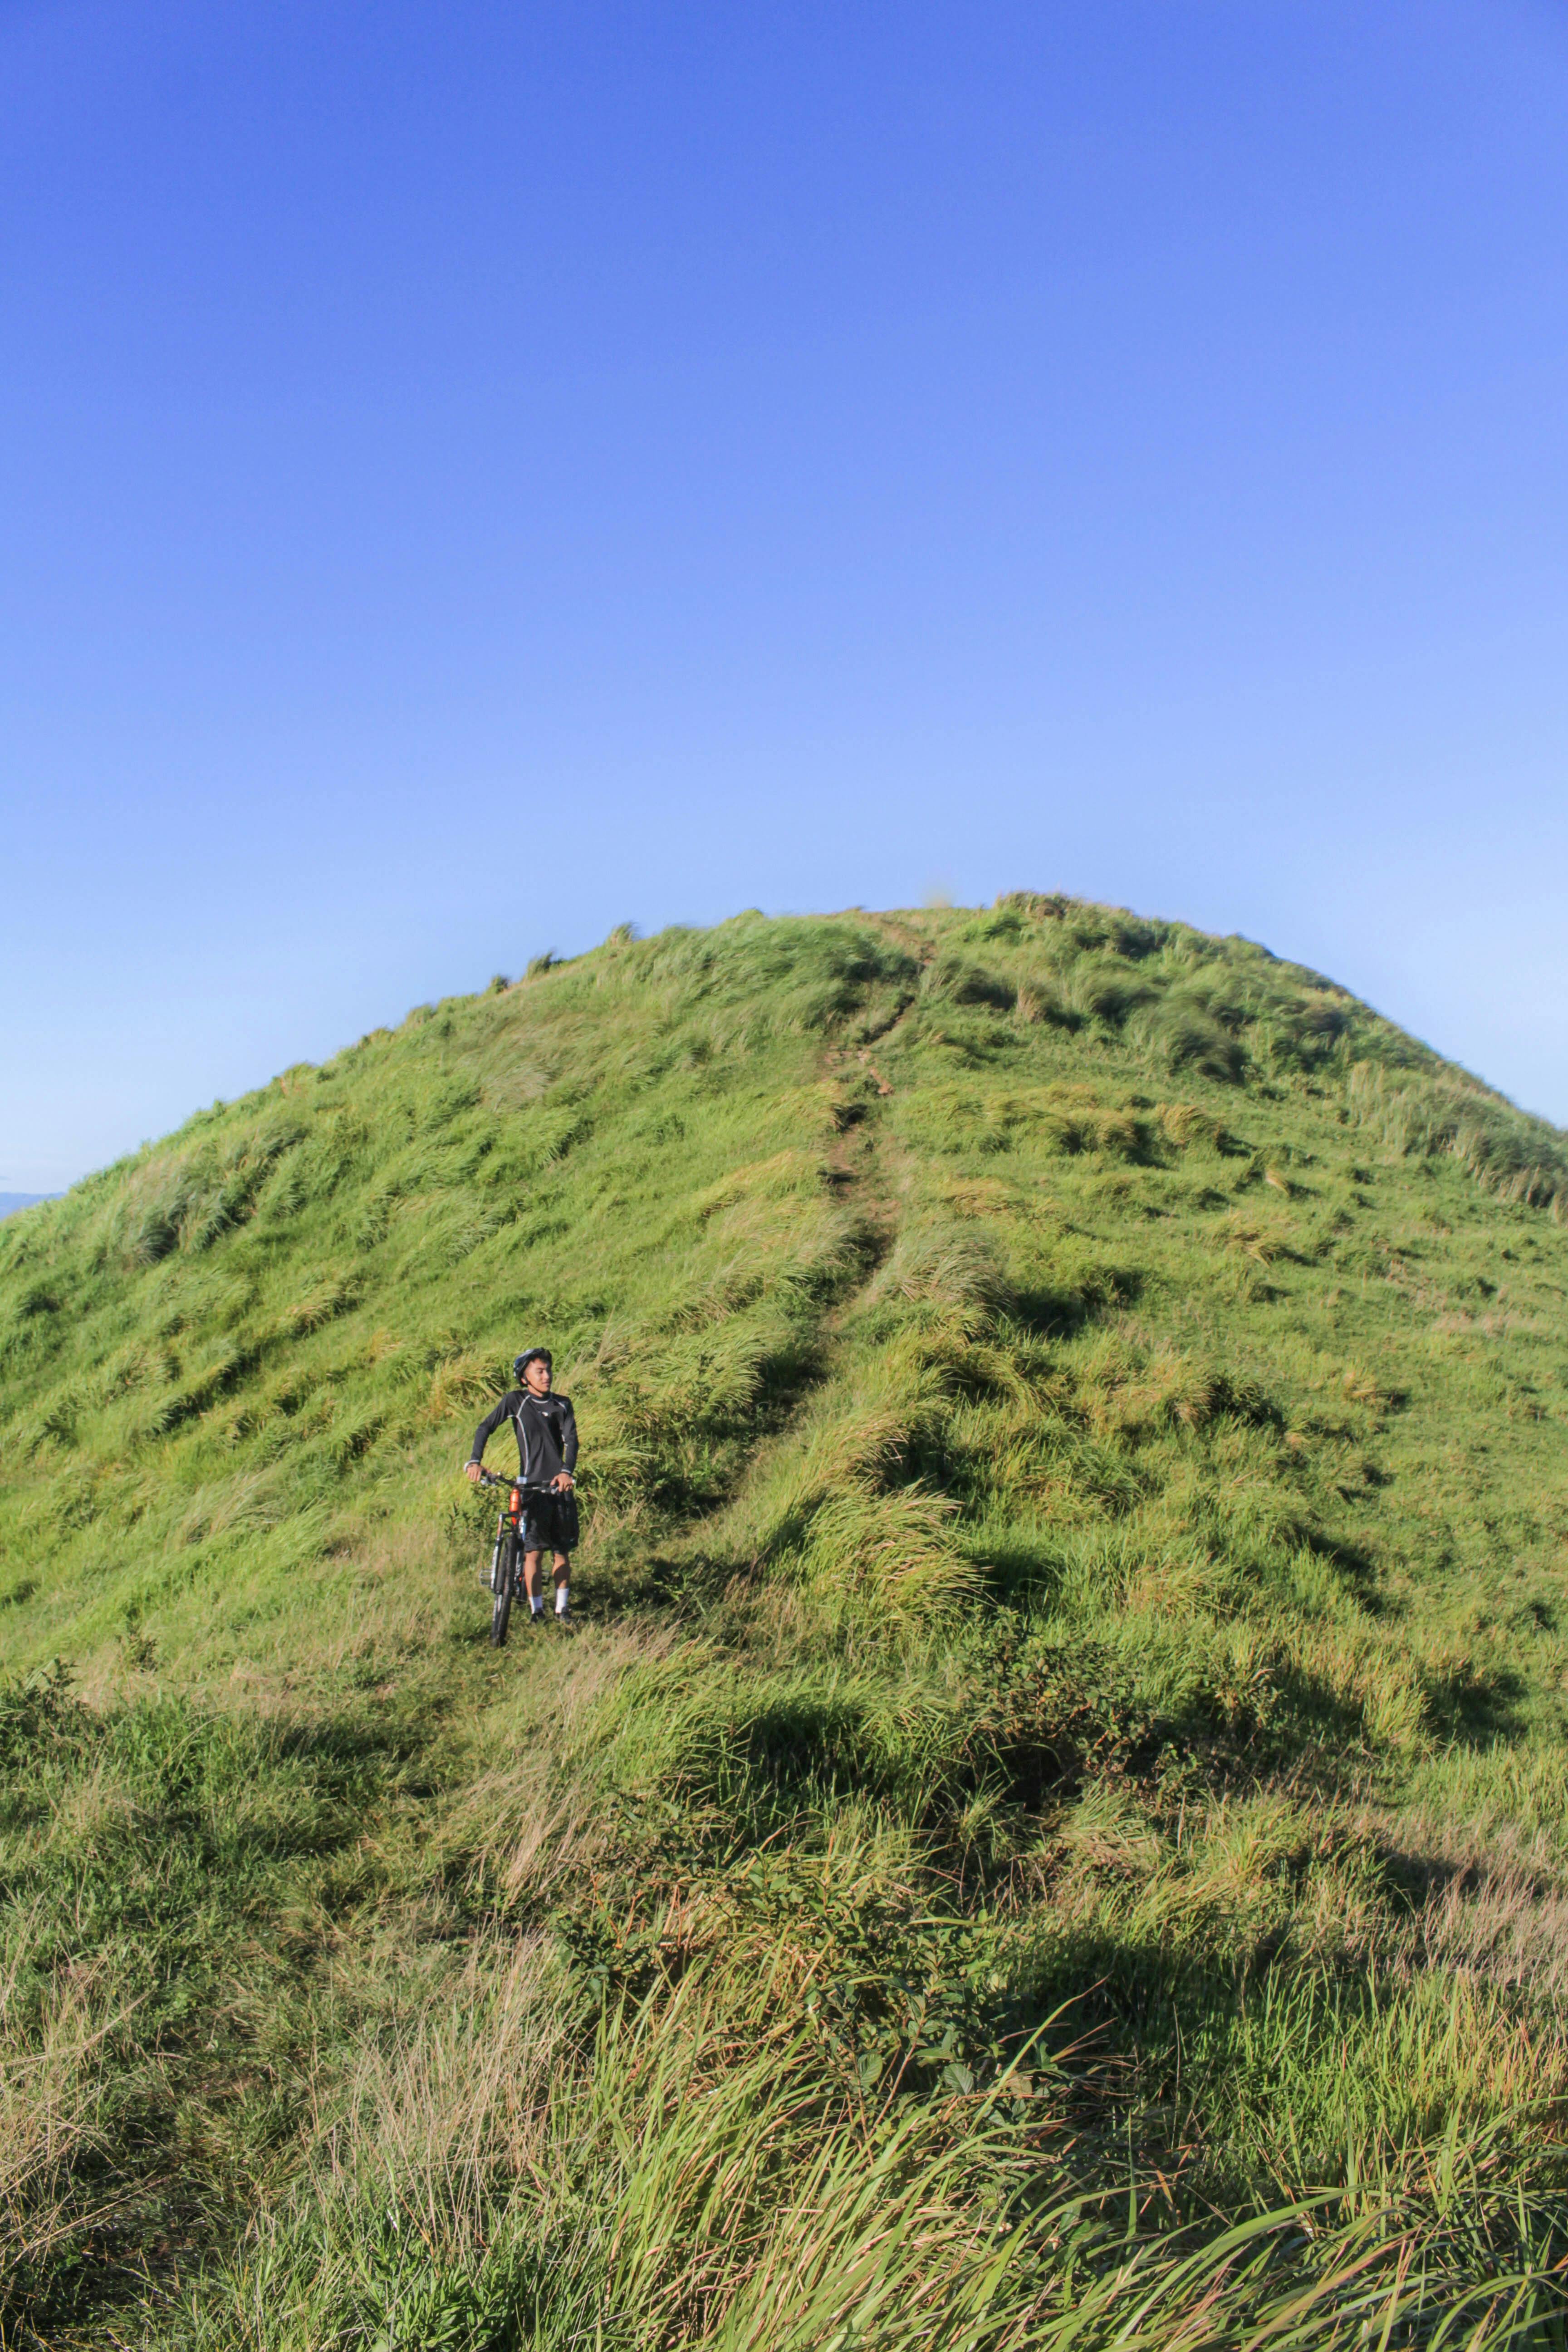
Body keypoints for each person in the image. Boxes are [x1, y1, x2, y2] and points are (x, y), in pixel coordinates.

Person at [465, 1348, 579, 1623]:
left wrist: (566, 1472)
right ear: (525, 1378)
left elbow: (572, 1441)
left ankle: (562, 1610)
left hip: (559, 1487)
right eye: (540, 1371)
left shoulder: (562, 1404)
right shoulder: (516, 1401)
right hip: (531, 1487)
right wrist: (474, 1461)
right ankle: (536, 1610)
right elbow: (485, 1427)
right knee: (534, 1552)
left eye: (548, 1370)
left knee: (561, 1552)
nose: (547, 1376)